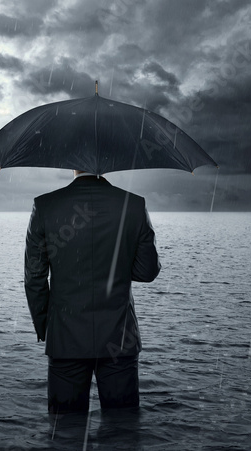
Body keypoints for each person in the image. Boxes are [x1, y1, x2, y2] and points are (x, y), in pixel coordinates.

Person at [24, 170, 161, 415]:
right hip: (119, 338)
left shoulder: (45, 206)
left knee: (64, 432)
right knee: (123, 430)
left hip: (65, 339)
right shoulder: (134, 204)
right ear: (106, 163)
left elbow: (34, 277)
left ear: (71, 164)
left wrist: (47, 327)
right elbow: (146, 272)